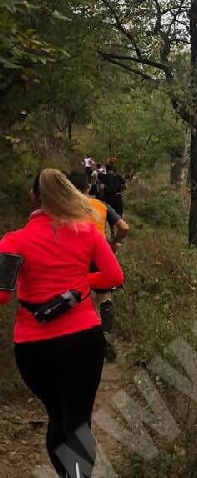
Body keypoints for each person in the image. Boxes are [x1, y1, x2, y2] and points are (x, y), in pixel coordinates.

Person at [0, 168, 124, 478]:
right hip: (83, 340)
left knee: (57, 414)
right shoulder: (89, 232)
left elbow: (2, 295)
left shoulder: (13, 241)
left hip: (33, 347)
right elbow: (114, 276)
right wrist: (80, 281)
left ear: (33, 196)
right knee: (78, 420)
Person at [67, 171, 130, 363]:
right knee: (104, 297)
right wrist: (113, 243)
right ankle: (106, 334)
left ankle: (78, 341)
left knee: (75, 297)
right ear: (88, 187)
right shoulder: (100, 205)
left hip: (74, 256)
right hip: (99, 254)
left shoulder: (64, 208)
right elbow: (124, 227)